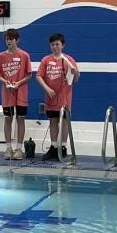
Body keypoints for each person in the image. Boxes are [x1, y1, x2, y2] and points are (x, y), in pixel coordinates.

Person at [37, 32, 79, 161]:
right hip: (51, 99)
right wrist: (47, 88)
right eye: (52, 44)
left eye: (57, 44)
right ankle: (54, 147)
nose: (55, 47)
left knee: (64, 123)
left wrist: (76, 72)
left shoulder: (68, 60)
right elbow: (39, 76)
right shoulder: (46, 60)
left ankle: (63, 147)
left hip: (64, 99)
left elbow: (76, 79)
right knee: (53, 121)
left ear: (62, 45)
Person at [0, 28, 32, 160]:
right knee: (8, 119)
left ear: (17, 40)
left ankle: (19, 149)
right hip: (7, 93)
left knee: (20, 118)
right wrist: (6, 82)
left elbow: (29, 75)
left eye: (11, 39)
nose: (8, 41)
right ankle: (8, 148)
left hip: (21, 92)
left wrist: (18, 83)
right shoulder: (1, 56)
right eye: (7, 39)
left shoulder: (24, 55)